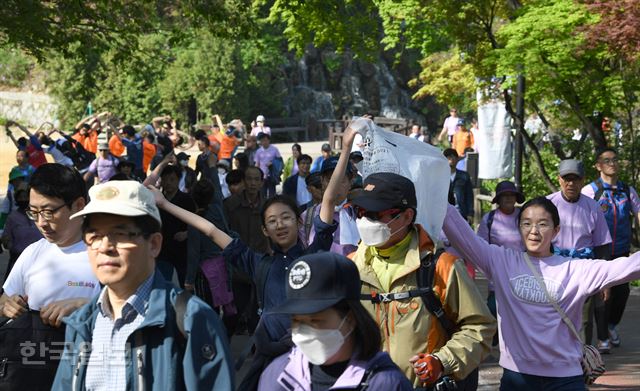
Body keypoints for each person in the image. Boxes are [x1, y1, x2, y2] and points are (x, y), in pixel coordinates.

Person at [150, 128, 353, 388]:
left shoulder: (314, 256)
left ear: (298, 222)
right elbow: (211, 230)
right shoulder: (258, 263)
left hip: (312, 354)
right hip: (269, 354)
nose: (280, 224)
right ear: (264, 230)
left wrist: (345, 149)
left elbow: (328, 199)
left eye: (286, 217)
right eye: (272, 221)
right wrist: (165, 204)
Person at [442, 195, 640, 390]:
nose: (534, 231)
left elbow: (628, 266)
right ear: (519, 228)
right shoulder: (501, 261)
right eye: (526, 224)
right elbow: (461, 234)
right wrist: (437, 193)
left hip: (565, 379)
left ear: (556, 231)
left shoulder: (575, 269)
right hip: (517, 377)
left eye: (543, 224)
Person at [52, 180, 234, 390]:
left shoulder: (192, 320)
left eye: (120, 234)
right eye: (94, 236)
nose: (105, 247)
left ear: (154, 244)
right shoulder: (81, 324)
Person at [348, 165, 495, 388]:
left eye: (375, 214)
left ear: (407, 216)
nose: (365, 221)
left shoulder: (442, 266)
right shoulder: (350, 267)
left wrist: (442, 361)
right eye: (360, 212)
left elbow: (480, 328)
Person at [0, 164, 100, 389]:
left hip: (89, 368)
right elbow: (3, 300)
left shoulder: (105, 252)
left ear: (78, 205)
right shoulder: (34, 252)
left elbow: (134, 311)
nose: (41, 222)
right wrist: (7, 305)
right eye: (34, 213)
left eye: (48, 211)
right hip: (34, 368)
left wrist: (84, 307)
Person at [258, 252, 413, 391]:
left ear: (350, 319)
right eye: (297, 321)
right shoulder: (277, 374)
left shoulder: (386, 384)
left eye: (315, 320)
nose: (304, 332)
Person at [547, 159, 612, 352]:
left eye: (575, 179)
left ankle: (582, 359)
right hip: (554, 268)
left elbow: (602, 245)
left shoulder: (593, 207)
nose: (571, 184)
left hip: (585, 269)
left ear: (583, 181)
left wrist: (605, 281)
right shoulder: (548, 204)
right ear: (559, 180)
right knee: (553, 315)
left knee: (584, 318)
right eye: (567, 179)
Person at [582, 148, 640, 348]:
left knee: (622, 291)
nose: (612, 163)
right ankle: (603, 337)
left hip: (621, 249)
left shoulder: (627, 190)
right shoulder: (590, 191)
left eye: (615, 159)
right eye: (607, 160)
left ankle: (611, 325)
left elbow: (638, 213)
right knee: (602, 292)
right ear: (598, 165)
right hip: (599, 250)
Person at [477, 180, 525, 345]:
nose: (508, 198)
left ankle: (515, 344)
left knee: (519, 310)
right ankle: (492, 343)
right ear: (498, 199)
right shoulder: (489, 219)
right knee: (493, 309)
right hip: (497, 272)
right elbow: (481, 246)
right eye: (504, 195)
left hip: (521, 271)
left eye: (511, 195)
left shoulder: (524, 215)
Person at [300, 156, 359, 256]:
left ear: (350, 183)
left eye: (341, 180)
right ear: (322, 181)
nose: (335, 186)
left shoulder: (360, 214)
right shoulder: (307, 217)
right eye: (330, 180)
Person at [157, 164, 197, 287]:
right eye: (165, 179)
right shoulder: (156, 200)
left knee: (181, 282)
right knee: (162, 282)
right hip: (161, 249)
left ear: (178, 180)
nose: (168, 183)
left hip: (180, 249)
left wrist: (186, 234)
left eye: (172, 179)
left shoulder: (186, 200)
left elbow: (196, 223)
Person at [1, 186, 43, 281]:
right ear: (16, 199)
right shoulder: (12, 217)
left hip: (39, 260)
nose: (23, 199)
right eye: (20, 197)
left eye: (25, 196)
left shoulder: (39, 214)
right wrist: (6, 241)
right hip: (18, 260)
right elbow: (6, 239)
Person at [443, 148, 474, 222]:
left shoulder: (464, 176)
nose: (451, 159)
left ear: (457, 159)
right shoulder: (440, 177)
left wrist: (470, 213)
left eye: (454, 157)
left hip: (461, 212)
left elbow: (469, 195)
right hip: (445, 214)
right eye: (448, 157)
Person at [254, 133, 282, 199]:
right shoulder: (258, 151)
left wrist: (272, 163)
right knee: (262, 193)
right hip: (262, 175)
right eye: (262, 140)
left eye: (265, 140)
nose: (264, 142)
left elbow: (279, 160)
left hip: (271, 174)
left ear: (269, 140)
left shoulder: (274, 149)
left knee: (272, 193)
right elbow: (257, 163)